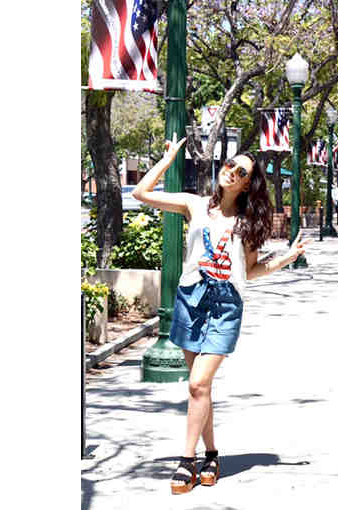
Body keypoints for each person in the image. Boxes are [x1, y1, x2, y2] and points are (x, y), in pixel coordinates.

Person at [133, 132, 312, 495]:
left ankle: (187, 460)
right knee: (201, 389)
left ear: (247, 185)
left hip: (226, 305)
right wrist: (167, 161)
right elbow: (140, 193)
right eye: (231, 165)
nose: (232, 171)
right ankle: (211, 454)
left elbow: (251, 270)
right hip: (190, 299)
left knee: (198, 383)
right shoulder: (195, 205)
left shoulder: (247, 222)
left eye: (242, 172)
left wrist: (286, 259)